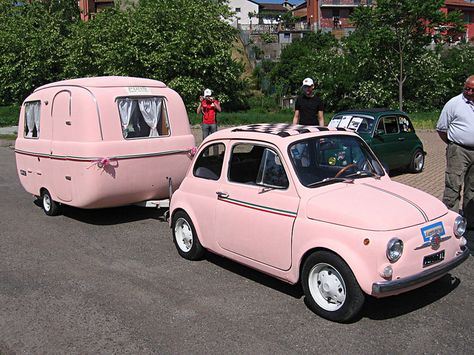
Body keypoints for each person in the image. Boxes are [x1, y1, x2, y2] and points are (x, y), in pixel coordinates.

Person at [436, 75, 474, 228]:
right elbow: (441, 128)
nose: (469, 92)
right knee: (453, 185)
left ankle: (470, 222)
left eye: (473, 90)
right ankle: (451, 222)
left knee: (472, 188)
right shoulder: (454, 103)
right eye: (467, 88)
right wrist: (453, 144)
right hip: (458, 149)